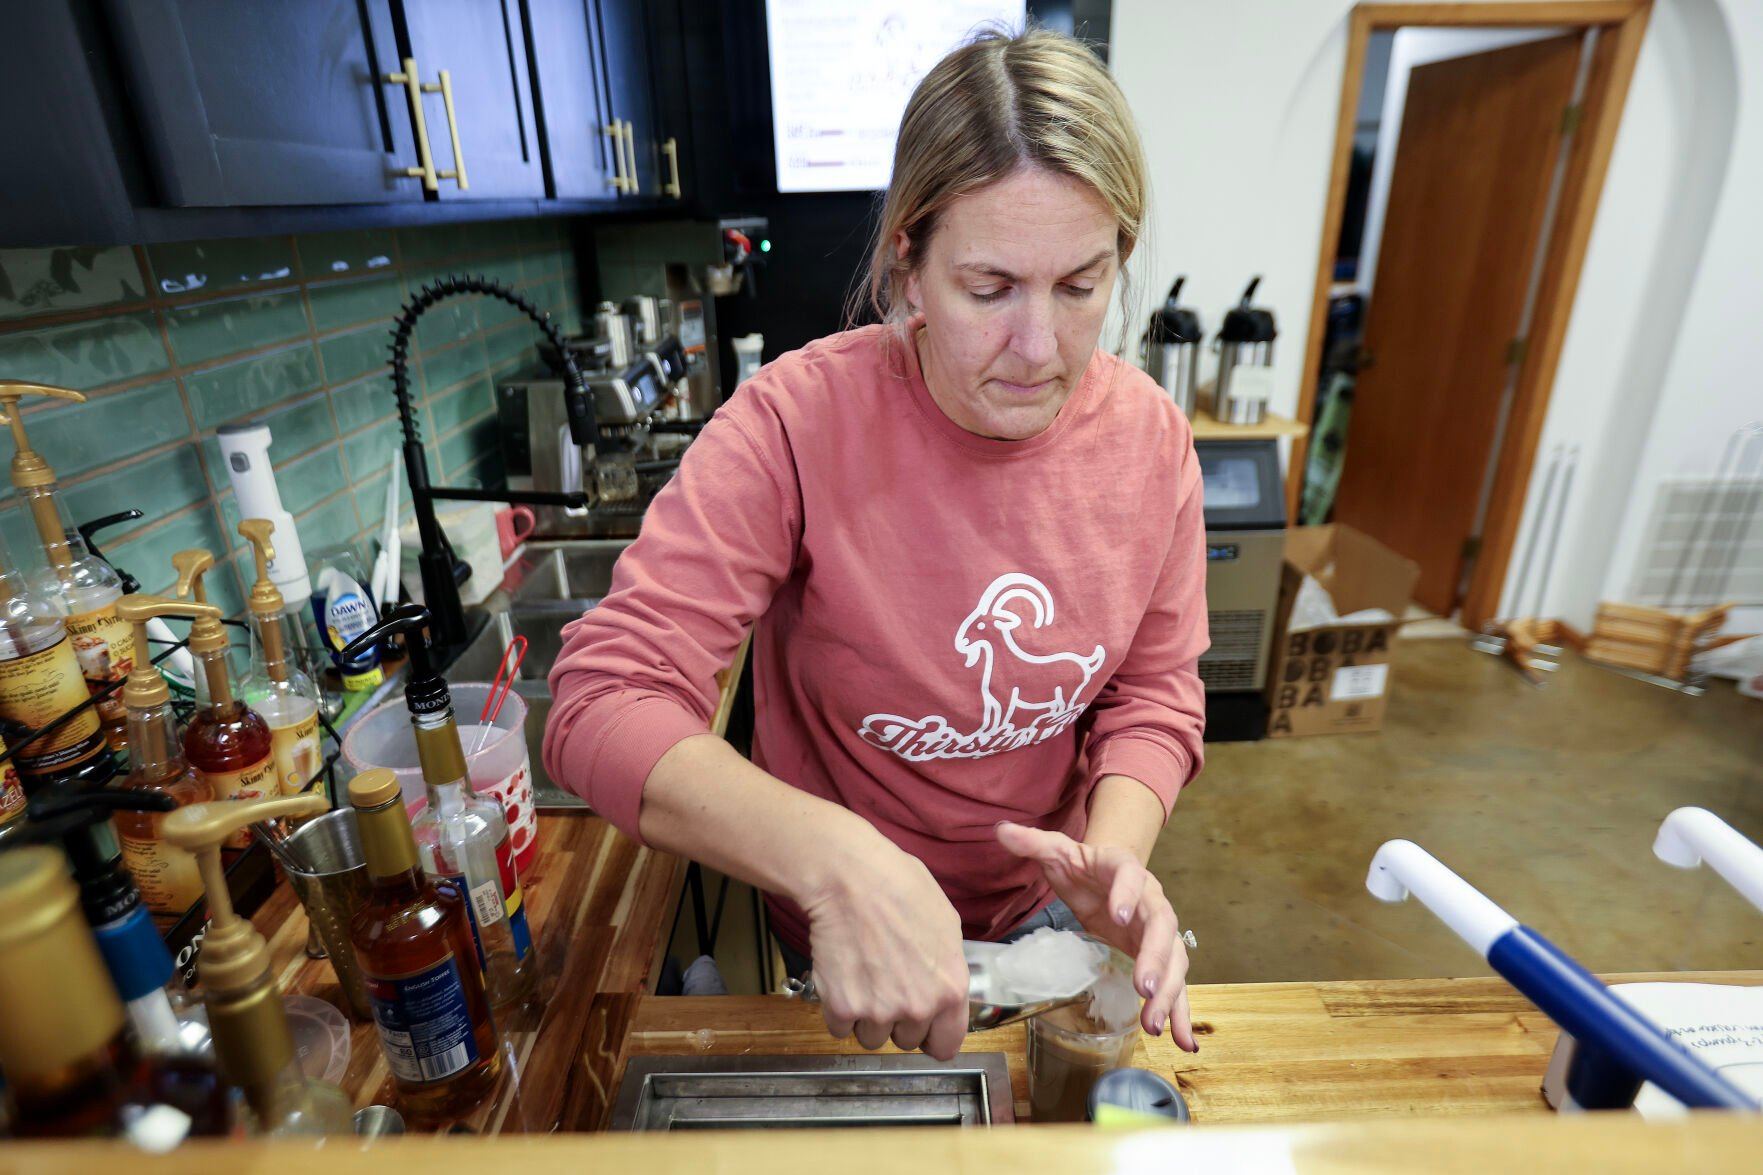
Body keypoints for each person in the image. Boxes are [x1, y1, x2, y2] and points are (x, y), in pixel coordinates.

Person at [544, 26, 1206, 1063]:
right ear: (907, 266)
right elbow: (600, 701)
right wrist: (835, 860)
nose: (1039, 349)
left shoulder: (1152, 443)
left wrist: (1106, 865)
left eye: (1079, 286)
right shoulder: (796, 425)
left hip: (1044, 922)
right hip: (839, 937)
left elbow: (1152, 693)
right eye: (988, 289)